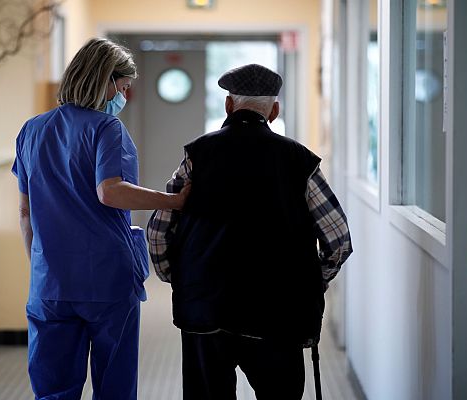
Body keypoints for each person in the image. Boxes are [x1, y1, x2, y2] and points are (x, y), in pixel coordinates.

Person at [147, 63, 353, 400]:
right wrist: (312, 281)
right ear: (274, 111)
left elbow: (158, 232)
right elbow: (338, 240)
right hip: (279, 313)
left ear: (229, 106)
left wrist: (182, 277)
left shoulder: (197, 154)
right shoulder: (298, 160)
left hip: (205, 309)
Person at [13, 37, 189, 400]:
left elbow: (24, 212)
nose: (124, 97)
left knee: (53, 389)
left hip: (50, 284)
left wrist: (43, 269)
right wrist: (173, 200)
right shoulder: (106, 129)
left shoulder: (31, 130)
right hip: (105, 279)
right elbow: (110, 191)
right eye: (124, 87)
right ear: (107, 80)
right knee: (114, 384)